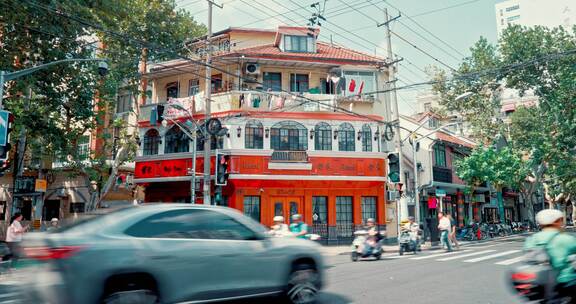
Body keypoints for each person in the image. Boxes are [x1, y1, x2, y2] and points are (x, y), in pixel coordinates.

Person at [524, 209, 576, 297]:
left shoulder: (532, 239)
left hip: (539, 283)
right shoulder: (567, 239)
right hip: (564, 281)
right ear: (557, 221)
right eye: (561, 220)